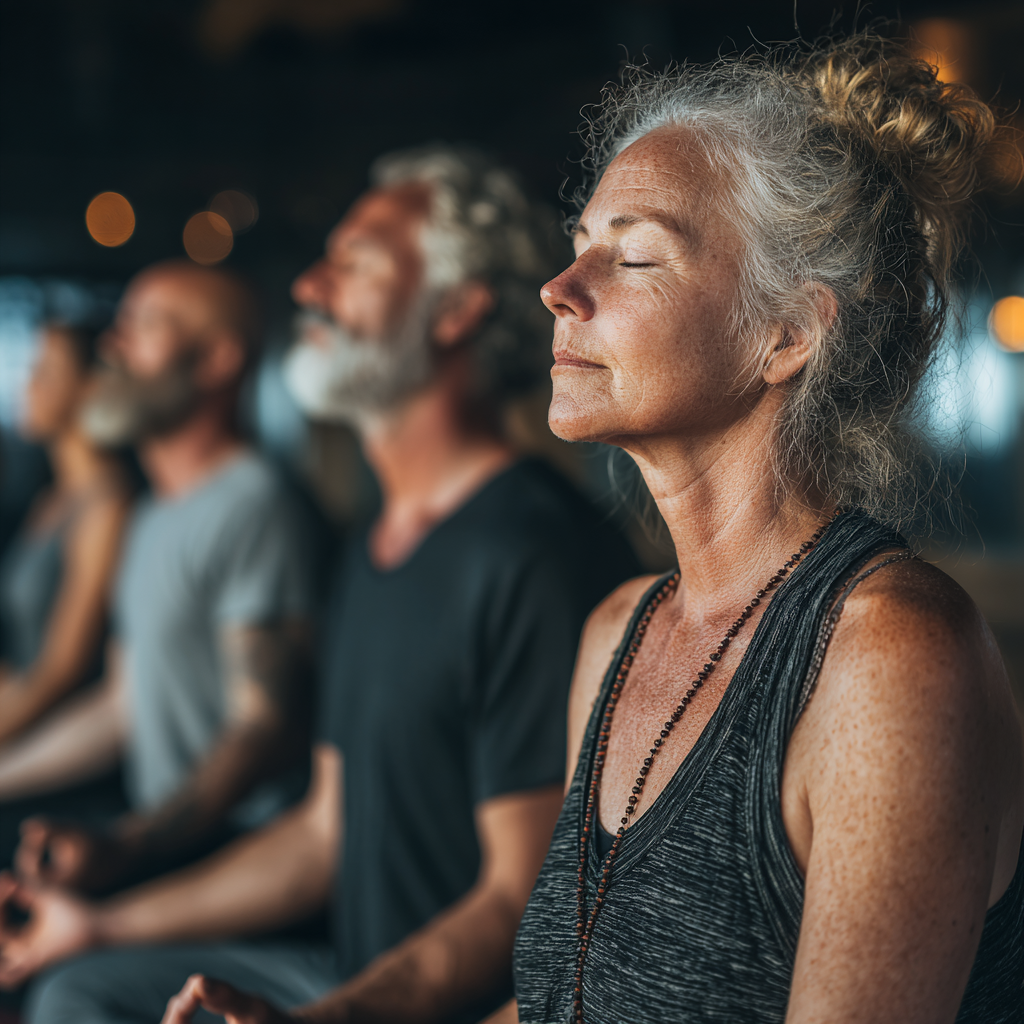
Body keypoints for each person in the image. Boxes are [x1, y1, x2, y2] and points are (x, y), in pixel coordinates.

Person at [0, 147, 640, 1024]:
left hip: (447, 1006)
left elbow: (522, 904)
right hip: (344, 962)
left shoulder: (529, 553)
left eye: (357, 264)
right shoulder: (376, 543)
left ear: (456, 310)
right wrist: (101, 925)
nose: (308, 286)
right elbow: (320, 832)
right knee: (78, 984)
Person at [500, 34, 1024, 1024]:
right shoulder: (616, 633)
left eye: (634, 253)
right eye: (578, 247)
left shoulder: (888, 659)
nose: (562, 290)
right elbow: (564, 1003)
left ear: (785, 334)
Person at [0, 261, 316, 897]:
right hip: (156, 841)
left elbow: (260, 730)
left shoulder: (253, 503)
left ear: (217, 360)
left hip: (231, 856)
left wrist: (129, 846)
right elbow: (124, 704)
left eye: (146, 325)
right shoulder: (153, 510)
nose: (114, 344)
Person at [0, 323, 133, 870]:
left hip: (65, 763)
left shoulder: (106, 504)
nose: (26, 386)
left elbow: (63, 667)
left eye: (45, 372)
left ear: (90, 388)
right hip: (23, 730)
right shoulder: (51, 500)